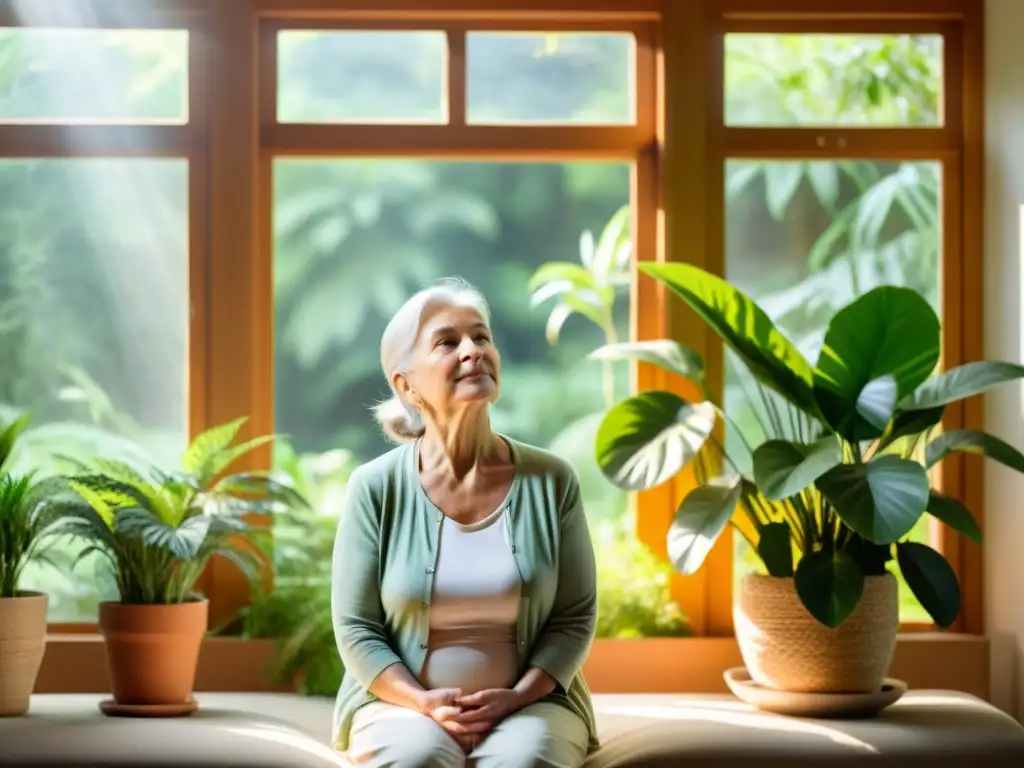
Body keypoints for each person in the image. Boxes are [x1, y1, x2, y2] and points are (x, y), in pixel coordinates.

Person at [331, 277, 599, 768]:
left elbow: (574, 618)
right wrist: (422, 702)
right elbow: (356, 628)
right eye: (447, 342)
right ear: (406, 385)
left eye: (481, 337)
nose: (473, 351)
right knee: (415, 758)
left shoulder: (553, 479)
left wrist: (517, 697)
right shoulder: (374, 488)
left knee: (524, 762)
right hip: (398, 706)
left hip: (534, 704)